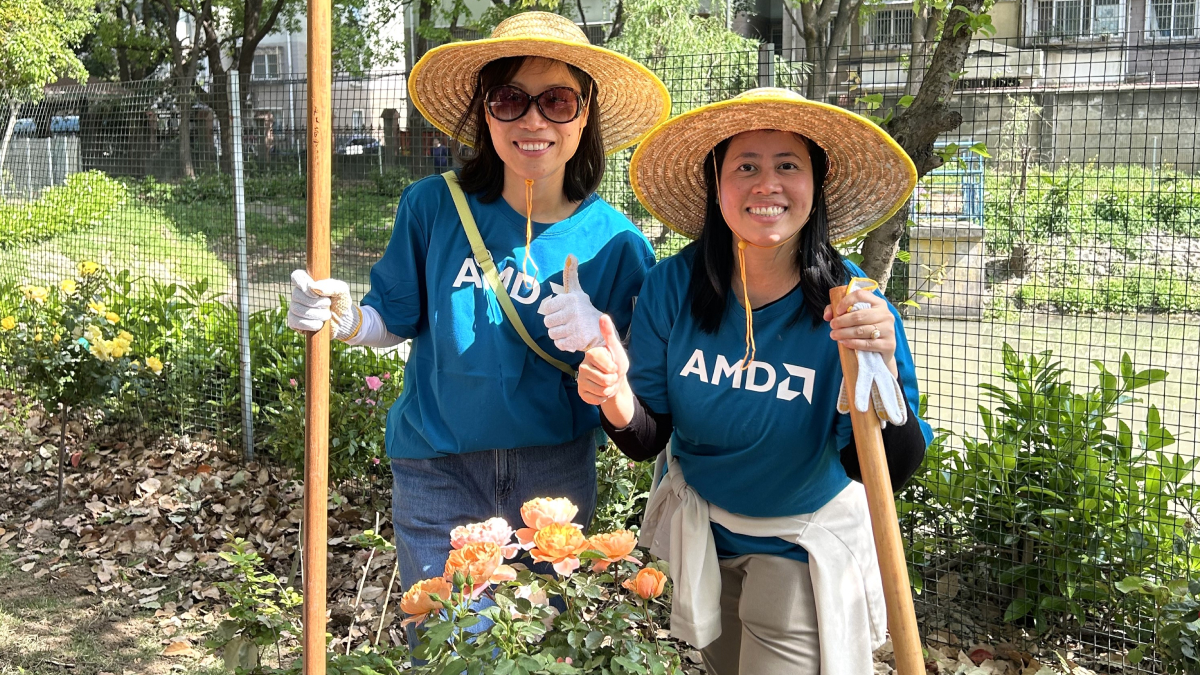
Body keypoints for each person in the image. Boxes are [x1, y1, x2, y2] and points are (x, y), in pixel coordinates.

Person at [285, 10, 670, 614]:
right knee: (447, 641)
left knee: (537, 644)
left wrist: (599, 338)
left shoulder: (618, 244)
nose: (533, 120)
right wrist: (345, 319)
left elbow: (635, 393)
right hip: (437, 468)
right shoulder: (432, 206)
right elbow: (391, 317)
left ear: (585, 113)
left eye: (557, 101)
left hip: (555, 479)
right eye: (509, 99)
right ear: (486, 111)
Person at [573, 88, 933, 675]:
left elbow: (883, 471)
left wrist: (880, 372)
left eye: (788, 166)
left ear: (816, 184)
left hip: (800, 544)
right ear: (716, 183)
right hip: (707, 536)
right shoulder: (673, 286)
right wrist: (615, 395)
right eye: (746, 167)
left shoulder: (852, 308)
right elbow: (647, 437)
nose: (767, 185)